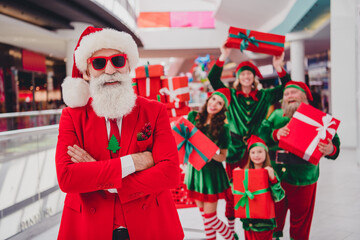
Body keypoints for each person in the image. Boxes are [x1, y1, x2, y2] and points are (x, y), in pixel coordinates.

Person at [55, 26, 184, 240]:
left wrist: (104, 178)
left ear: (128, 65)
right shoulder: (72, 117)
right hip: (90, 227)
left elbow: (170, 173)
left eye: (117, 61)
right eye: (99, 63)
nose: (110, 70)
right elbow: (67, 178)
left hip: (150, 226)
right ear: (87, 72)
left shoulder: (154, 111)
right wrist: (133, 162)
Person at [207, 43, 291, 230]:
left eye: (249, 74)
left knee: (256, 188)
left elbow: (286, 88)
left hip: (256, 150)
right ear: (239, 77)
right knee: (231, 190)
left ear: (254, 78)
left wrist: (279, 68)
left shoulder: (264, 96)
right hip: (234, 149)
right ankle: (230, 228)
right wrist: (223, 55)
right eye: (243, 74)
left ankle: (253, 224)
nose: (246, 77)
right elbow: (213, 78)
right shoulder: (231, 95)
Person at [257, 81, 340, 240]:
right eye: (286, 94)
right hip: (276, 179)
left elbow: (335, 143)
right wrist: (275, 134)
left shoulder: (320, 119)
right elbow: (260, 135)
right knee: (274, 217)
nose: (289, 96)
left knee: (301, 221)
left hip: (304, 179)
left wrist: (331, 149)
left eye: (293, 92)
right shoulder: (275, 115)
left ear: (305, 96)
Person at [184, 88, 234, 240]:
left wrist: (212, 154)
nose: (214, 104)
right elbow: (183, 137)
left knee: (211, 217)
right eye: (213, 100)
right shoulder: (193, 116)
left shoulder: (223, 128)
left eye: (219, 103)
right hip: (195, 171)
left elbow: (224, 156)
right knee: (205, 217)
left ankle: (231, 238)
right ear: (208, 100)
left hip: (212, 174)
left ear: (222, 108)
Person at [238, 135, 285, 240]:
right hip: (249, 223)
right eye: (253, 152)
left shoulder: (270, 172)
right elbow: (238, 195)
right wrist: (236, 178)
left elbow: (279, 196)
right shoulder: (246, 173)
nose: (256, 155)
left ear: (266, 153)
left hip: (265, 223)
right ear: (249, 155)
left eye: (260, 152)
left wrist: (273, 179)